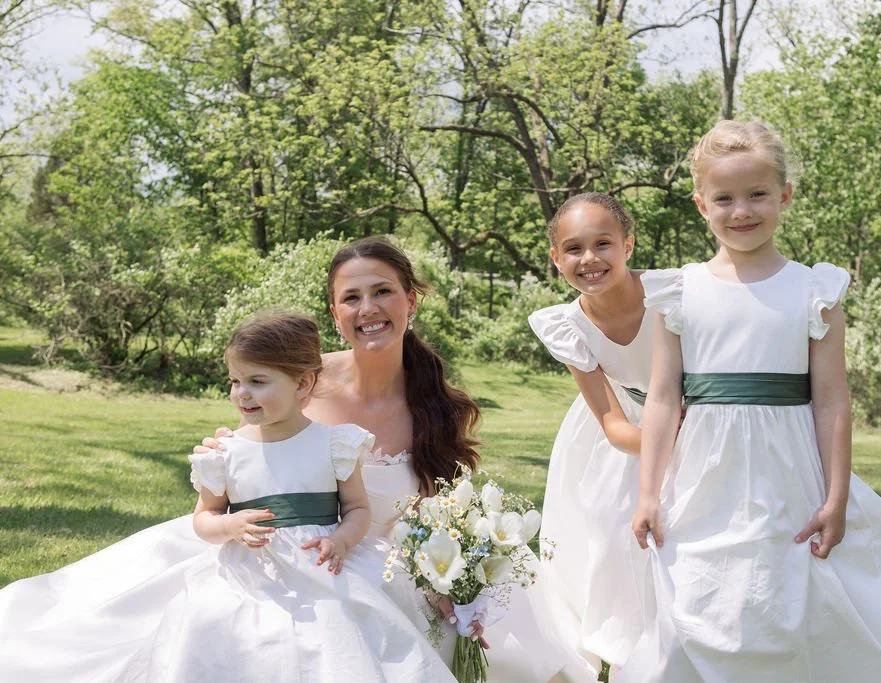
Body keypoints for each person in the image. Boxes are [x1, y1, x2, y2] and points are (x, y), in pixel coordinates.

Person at [623, 120, 881, 682]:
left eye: (757, 194)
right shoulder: (679, 290)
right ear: (701, 204)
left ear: (784, 195)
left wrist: (835, 497)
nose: (742, 211)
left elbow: (832, 401)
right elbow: (664, 398)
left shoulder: (815, 290)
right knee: (700, 592)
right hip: (704, 473)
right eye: (725, 199)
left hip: (789, 469)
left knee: (790, 595)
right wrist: (647, 493)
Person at [200, 237, 595, 682]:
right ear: (335, 314)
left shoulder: (439, 407)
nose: (367, 308)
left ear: (410, 300)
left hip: (398, 569)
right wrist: (224, 448)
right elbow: (257, 452)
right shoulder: (301, 383)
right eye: (351, 298)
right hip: (299, 562)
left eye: (382, 291)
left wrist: (445, 585)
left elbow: (442, 511)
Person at [0, 312, 457, 682]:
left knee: (340, 636)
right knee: (217, 628)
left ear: (302, 384)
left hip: (323, 566)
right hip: (247, 571)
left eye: (258, 381)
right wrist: (229, 527)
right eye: (235, 382)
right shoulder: (225, 453)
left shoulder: (334, 444)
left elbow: (357, 508)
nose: (242, 393)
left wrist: (341, 540)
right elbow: (204, 518)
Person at [527, 192, 657, 676]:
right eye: (574, 249)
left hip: (695, 416)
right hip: (617, 432)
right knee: (613, 527)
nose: (590, 259)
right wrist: (667, 444)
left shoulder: (670, 295)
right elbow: (613, 425)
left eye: (603, 243)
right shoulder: (568, 326)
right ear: (555, 259)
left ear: (628, 244)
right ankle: (625, 651)